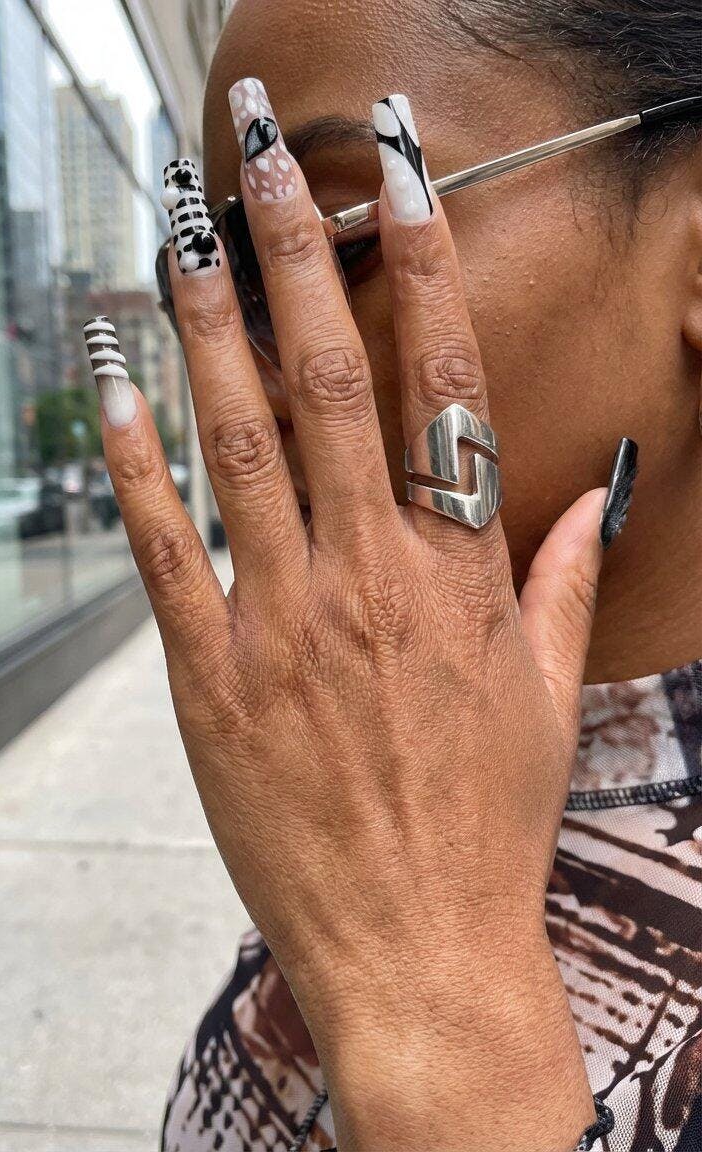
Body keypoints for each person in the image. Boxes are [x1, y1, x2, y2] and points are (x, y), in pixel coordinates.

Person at [88, 2, 701, 1148]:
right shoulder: (380, 740)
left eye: (329, 241)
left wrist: (436, 997)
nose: (246, 366)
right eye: (202, 280)